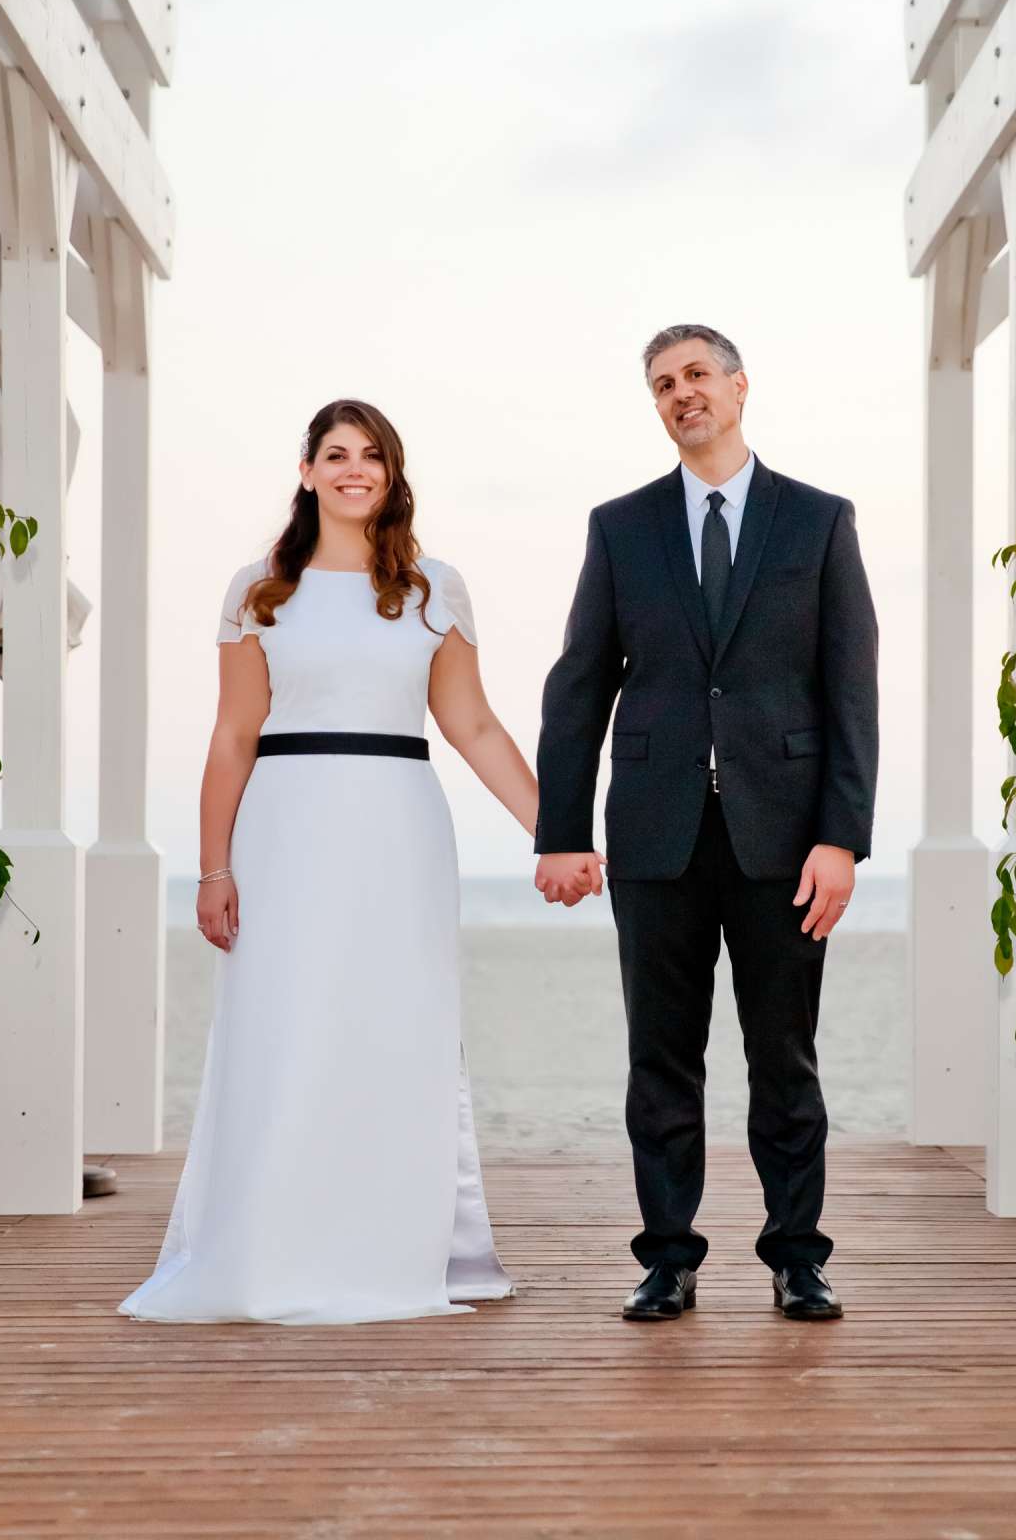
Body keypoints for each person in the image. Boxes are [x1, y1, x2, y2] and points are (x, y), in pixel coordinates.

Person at [122, 398, 546, 1324]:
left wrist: (552, 832)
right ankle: (274, 1240)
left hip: (398, 825)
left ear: (392, 478)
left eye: (373, 457)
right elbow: (233, 736)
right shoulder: (258, 590)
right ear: (306, 471)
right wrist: (213, 869)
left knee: (399, 1019)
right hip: (285, 826)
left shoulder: (435, 588)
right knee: (287, 1022)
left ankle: (413, 1242)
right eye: (336, 454)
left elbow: (471, 724)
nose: (355, 469)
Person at [534, 324, 880, 1322]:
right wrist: (562, 828)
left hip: (787, 840)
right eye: (661, 384)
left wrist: (841, 836)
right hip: (654, 835)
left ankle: (797, 1256)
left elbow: (848, 689)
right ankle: (668, 1258)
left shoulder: (818, 521)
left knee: (785, 1057)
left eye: (695, 376)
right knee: (661, 1059)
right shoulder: (621, 526)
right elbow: (579, 686)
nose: (680, 393)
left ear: (738, 386)